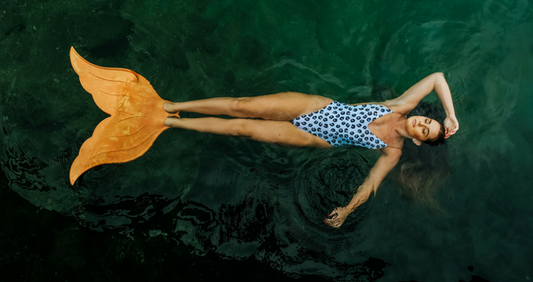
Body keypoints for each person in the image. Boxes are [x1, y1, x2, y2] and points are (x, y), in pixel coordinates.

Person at [163, 72, 459, 228]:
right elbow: (437, 78)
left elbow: (370, 185)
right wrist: (450, 116)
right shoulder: (401, 106)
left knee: (243, 128)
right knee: (243, 105)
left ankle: (172, 124)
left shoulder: (392, 151)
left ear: (418, 141)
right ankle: (176, 106)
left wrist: (346, 210)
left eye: (424, 130)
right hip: (317, 106)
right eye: (427, 121)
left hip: (309, 135)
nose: (422, 123)